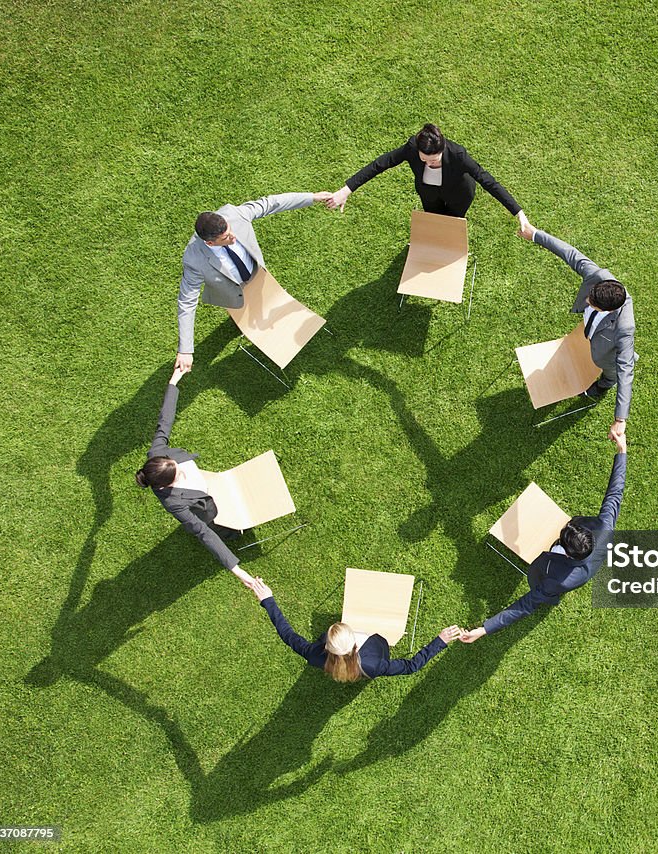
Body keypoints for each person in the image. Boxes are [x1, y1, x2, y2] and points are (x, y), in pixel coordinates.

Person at [460, 433, 628, 643]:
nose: (566, 525)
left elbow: (525, 605)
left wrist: (484, 629)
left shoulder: (557, 581)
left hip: (547, 569)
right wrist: (622, 451)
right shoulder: (603, 528)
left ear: (568, 552)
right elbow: (615, 493)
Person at [176, 192, 328, 372]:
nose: (233, 238)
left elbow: (272, 203)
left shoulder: (234, 214)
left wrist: (312, 197)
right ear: (210, 243)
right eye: (225, 238)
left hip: (260, 280)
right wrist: (185, 350)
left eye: (230, 231)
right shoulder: (193, 259)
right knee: (243, 317)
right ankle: (239, 322)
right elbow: (187, 302)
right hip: (233, 295)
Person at [518, 221, 636, 443]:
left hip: (607, 356)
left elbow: (626, 370)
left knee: (610, 374)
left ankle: (603, 385)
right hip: (588, 337)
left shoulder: (625, 328)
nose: (587, 302)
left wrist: (620, 419)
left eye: (593, 305)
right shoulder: (600, 276)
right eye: (590, 298)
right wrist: (534, 235)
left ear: (610, 310)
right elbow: (570, 254)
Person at [135, 365, 253, 586]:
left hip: (206, 489)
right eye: (178, 474)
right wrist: (238, 571)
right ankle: (232, 534)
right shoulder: (173, 504)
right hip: (206, 511)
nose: (183, 469)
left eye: (175, 463)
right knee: (220, 528)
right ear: (164, 487)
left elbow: (165, 421)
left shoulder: (156, 453)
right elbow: (203, 534)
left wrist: (173, 382)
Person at [246, 577, 461, 680]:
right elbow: (411, 666)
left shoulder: (315, 655)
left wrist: (268, 600)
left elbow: (287, 634)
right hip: (378, 648)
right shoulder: (375, 664)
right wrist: (439, 641)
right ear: (355, 643)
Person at [320, 123, 531, 228]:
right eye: (425, 159)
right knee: (433, 222)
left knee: (452, 225)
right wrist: (346, 190)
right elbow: (380, 164)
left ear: (443, 148)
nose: (430, 163)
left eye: (435, 160)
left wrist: (518, 212)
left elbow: (488, 181)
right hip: (429, 194)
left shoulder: (458, 155)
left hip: (459, 194)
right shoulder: (412, 148)